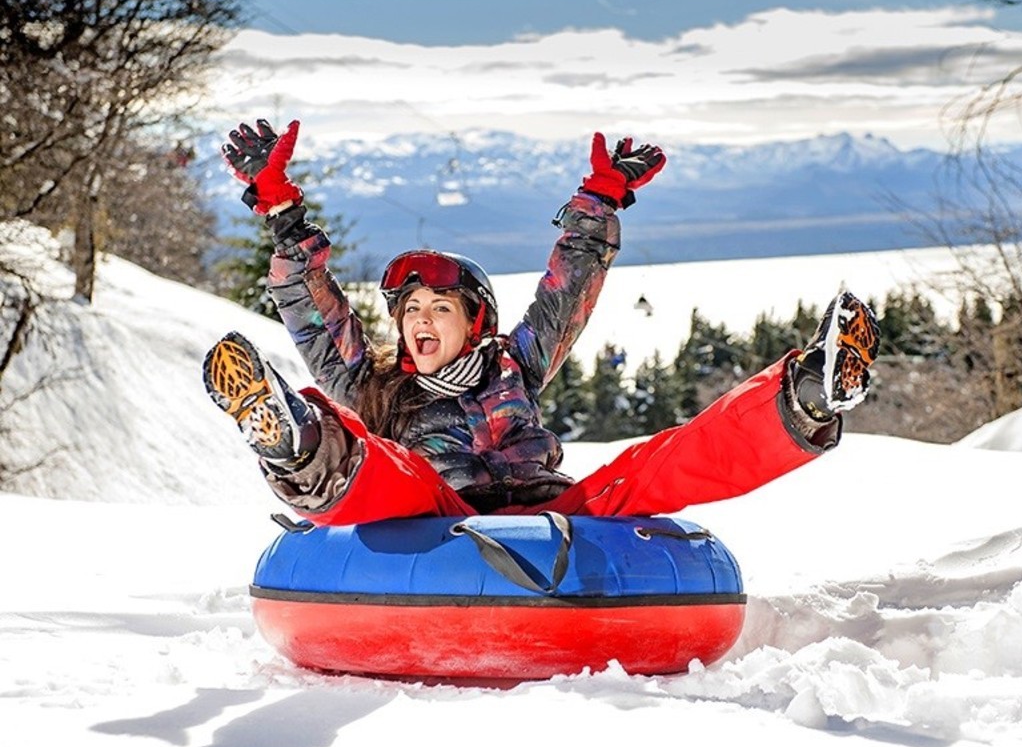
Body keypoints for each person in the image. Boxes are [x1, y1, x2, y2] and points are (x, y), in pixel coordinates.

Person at [204, 119, 879, 526]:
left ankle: (806, 393)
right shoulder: (374, 380)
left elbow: (567, 292)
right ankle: (293, 438)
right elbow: (312, 311)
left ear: (477, 323)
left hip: (546, 515)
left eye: (440, 307)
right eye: (410, 311)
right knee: (384, 465)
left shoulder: (513, 367)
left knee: (648, 468)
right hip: (436, 517)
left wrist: (597, 200)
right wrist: (282, 213)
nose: (420, 321)